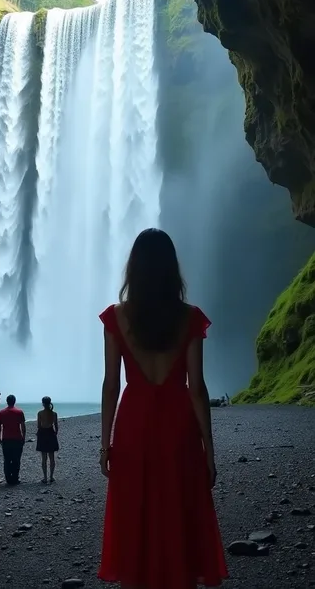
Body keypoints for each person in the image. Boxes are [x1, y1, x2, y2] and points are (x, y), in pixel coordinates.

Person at [98, 228, 228, 589]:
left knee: (135, 513)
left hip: (134, 422)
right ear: (172, 269)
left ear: (133, 269)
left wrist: (105, 443)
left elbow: (111, 385)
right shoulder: (190, 318)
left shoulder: (116, 318)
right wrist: (209, 451)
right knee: (178, 508)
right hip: (178, 421)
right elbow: (198, 389)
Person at [0, 395, 26, 485]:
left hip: (6, 439)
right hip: (17, 438)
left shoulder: (1, 413)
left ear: (7, 401)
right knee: (16, 460)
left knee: (7, 460)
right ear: (14, 401)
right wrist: (23, 437)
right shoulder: (19, 412)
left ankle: (8, 479)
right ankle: (15, 478)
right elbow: (23, 427)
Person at [36, 396, 59, 484]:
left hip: (43, 433)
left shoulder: (40, 413)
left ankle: (45, 478)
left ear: (42, 403)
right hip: (50, 433)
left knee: (44, 458)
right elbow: (56, 426)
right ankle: (51, 476)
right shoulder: (54, 413)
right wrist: (55, 433)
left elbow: (39, 425)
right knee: (52, 457)